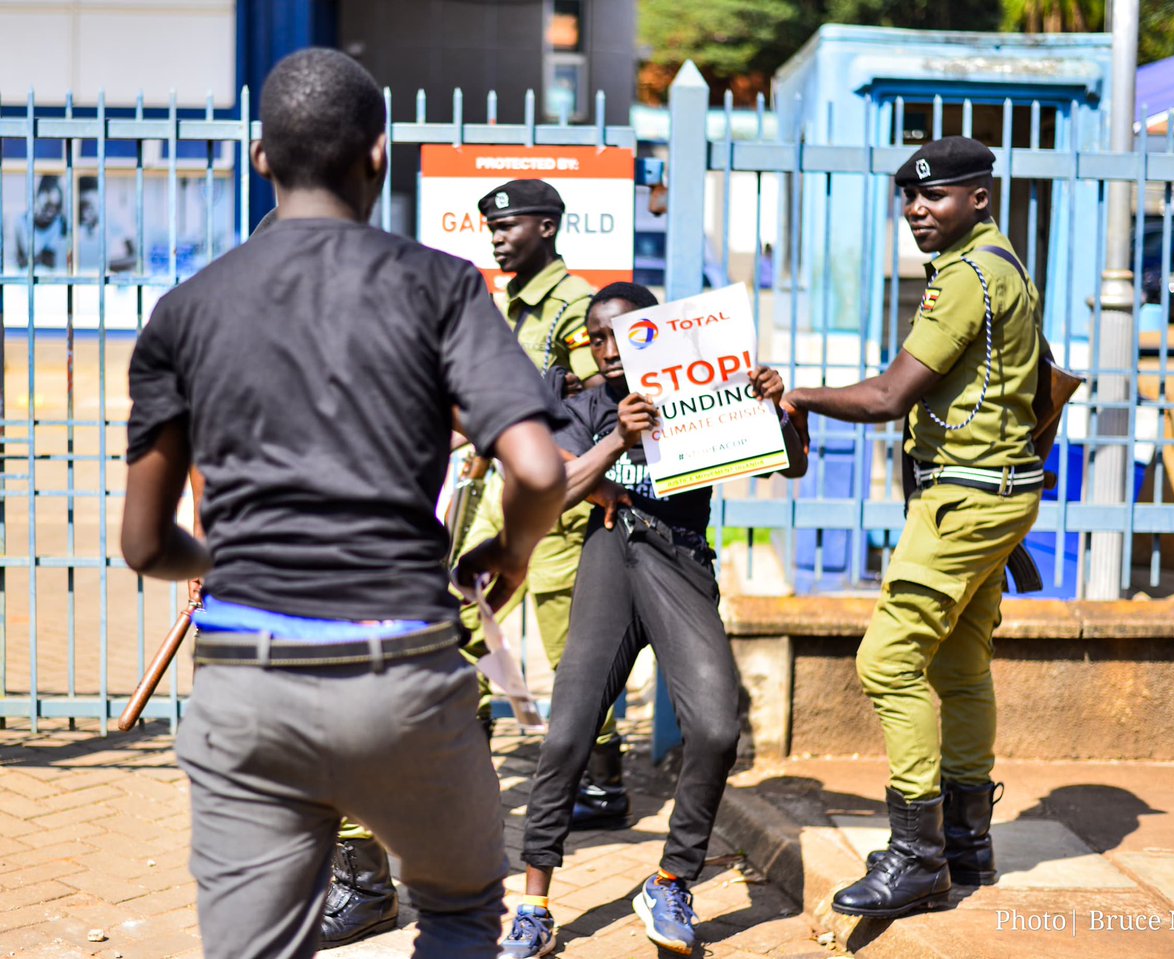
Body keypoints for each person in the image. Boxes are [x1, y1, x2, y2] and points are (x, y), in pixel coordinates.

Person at [120, 47, 567, 959]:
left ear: (261, 159)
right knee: (455, 906)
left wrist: (224, 560)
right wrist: (508, 558)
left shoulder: (185, 310)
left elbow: (142, 543)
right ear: (379, 156)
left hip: (247, 681)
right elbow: (538, 468)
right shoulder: (441, 287)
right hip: (402, 673)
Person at [499, 282, 808, 958]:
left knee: (718, 725)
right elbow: (554, 490)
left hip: (680, 560)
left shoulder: (710, 386)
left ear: (653, 333)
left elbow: (792, 463)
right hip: (610, 556)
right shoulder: (582, 406)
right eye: (595, 337)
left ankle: (671, 879)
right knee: (569, 733)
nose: (608, 349)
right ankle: (535, 904)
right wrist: (618, 439)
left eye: (621, 333)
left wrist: (777, 409)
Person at [781, 136, 1045, 919]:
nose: (917, 210)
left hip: (965, 497)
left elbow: (891, 395)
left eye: (935, 196)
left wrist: (797, 393)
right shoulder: (1004, 266)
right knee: (960, 667)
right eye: (909, 198)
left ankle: (919, 856)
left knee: (889, 659)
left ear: (980, 198)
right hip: (997, 489)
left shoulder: (968, 276)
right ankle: (968, 844)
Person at [459, 179, 627, 822]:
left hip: (557, 506)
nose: (498, 238)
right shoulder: (513, 307)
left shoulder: (574, 306)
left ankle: (603, 783)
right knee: (464, 626)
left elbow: (598, 406)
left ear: (548, 228)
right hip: (497, 497)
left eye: (510, 227)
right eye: (492, 229)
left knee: (569, 651)